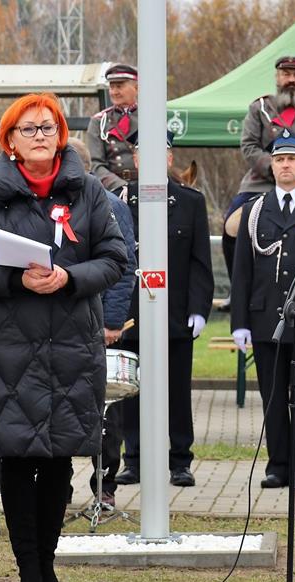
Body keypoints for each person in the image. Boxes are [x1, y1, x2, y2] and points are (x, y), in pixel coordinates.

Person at [0, 93, 127, 582]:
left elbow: (115, 258)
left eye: (48, 127)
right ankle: (28, 576)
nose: (40, 136)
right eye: (28, 129)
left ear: (61, 135)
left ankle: (48, 571)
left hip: (71, 349)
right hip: (9, 350)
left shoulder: (88, 191)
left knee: (57, 464)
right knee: (15, 460)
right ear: (10, 140)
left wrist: (69, 277)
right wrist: (15, 280)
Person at [230, 133, 295, 489]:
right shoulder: (255, 210)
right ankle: (277, 464)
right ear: (271, 166)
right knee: (272, 397)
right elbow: (242, 270)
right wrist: (239, 322)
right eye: (279, 159)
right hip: (265, 318)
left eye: (292, 159)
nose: (285, 165)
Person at [116, 131, 213, 488]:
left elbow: (200, 261)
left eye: (160, 153)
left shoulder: (189, 202)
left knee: (177, 392)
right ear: (136, 159)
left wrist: (199, 309)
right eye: (144, 153)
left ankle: (180, 460)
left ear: (170, 159)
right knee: (130, 391)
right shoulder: (120, 200)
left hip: (174, 312)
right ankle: (134, 459)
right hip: (131, 312)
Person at [221, 55, 295, 286]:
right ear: (277, 77)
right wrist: (275, 167)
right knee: (230, 225)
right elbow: (249, 146)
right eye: (286, 74)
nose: (291, 79)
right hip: (261, 181)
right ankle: (237, 287)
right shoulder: (259, 108)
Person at [68, 137, 137, 507]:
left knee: (106, 409)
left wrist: (111, 322)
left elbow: (123, 268)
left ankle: (105, 485)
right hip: (61, 324)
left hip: (100, 323)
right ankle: (59, 485)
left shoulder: (110, 205)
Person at [87, 63, 139, 194]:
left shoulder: (151, 119)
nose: (114, 92)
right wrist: (121, 187)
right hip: (113, 191)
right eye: (112, 87)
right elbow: (96, 164)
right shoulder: (99, 121)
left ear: (136, 87)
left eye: (119, 86)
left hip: (147, 188)